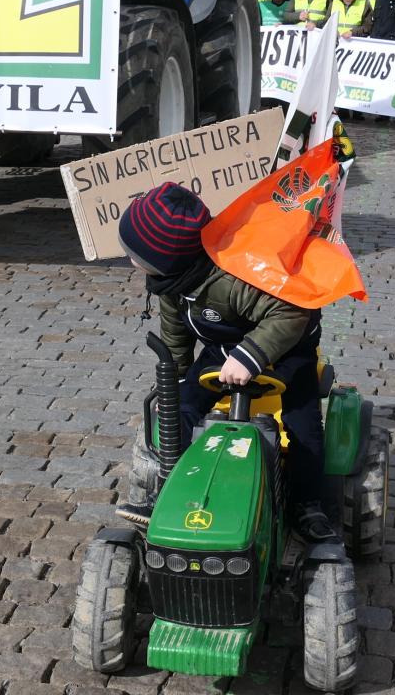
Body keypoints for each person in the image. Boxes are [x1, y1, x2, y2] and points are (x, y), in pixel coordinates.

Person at [115, 182, 337, 542]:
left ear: (166, 258)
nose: (129, 260)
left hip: (284, 349)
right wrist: (175, 373)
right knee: (180, 407)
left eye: (134, 254)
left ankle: (308, 504)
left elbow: (292, 312)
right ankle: (169, 487)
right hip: (224, 349)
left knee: (303, 424)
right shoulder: (173, 280)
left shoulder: (233, 279)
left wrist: (251, 355)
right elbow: (176, 331)